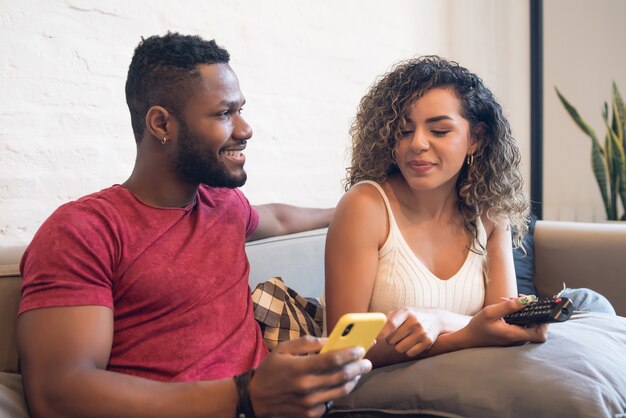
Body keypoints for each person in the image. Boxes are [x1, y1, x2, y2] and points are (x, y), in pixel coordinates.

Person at [17, 32, 371, 418]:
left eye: (240, 110)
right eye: (223, 113)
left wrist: (364, 205)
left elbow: (280, 217)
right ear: (160, 123)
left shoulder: (223, 204)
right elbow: (57, 394)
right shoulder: (83, 231)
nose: (245, 129)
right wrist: (245, 396)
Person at [325, 56, 550, 368]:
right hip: (380, 389)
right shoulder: (365, 206)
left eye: (440, 131)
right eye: (403, 131)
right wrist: (465, 334)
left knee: (590, 304)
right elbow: (344, 350)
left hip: (471, 377)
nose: (417, 143)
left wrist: (439, 319)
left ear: (476, 139)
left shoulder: (489, 214)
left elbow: (502, 324)